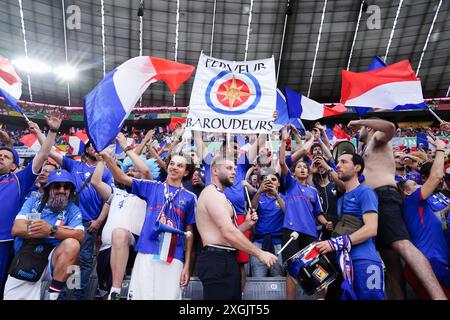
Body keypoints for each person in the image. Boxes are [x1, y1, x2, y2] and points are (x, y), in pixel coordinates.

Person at [348, 118, 447, 300]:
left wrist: (358, 120)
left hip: (384, 196)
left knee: (402, 244)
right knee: (391, 262)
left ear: (368, 127)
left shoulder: (377, 136)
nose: (356, 131)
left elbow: (390, 127)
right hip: (374, 203)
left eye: (361, 128)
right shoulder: (366, 147)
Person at [101, 151, 196, 300]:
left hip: (174, 256)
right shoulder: (152, 187)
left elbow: (189, 233)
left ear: (186, 172)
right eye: (172, 163)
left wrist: (187, 265)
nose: (174, 167)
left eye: (180, 165)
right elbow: (121, 177)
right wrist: (108, 160)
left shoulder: (190, 198)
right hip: (147, 251)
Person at [195, 156, 278, 300]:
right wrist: (259, 253)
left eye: (234, 169)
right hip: (217, 260)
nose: (233, 172)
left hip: (226, 258)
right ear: (214, 171)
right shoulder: (212, 194)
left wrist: (246, 224)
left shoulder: (221, 196)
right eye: (228, 168)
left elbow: (225, 233)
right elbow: (228, 233)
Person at [0, 116, 61, 299]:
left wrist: (52, 131)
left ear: (14, 165)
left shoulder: (18, 180)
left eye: (6, 157)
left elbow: (43, 155)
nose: (1, 158)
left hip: (4, 243)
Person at [44, 137, 113, 299]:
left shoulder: (106, 171)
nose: (97, 150)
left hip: (89, 222)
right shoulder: (74, 165)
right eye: (94, 147)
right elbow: (50, 152)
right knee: (70, 258)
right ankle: (64, 293)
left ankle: (77, 295)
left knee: (83, 260)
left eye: (100, 148)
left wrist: (99, 220)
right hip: (68, 220)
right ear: (87, 149)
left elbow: (109, 199)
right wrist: (46, 133)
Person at [3, 169, 84, 300]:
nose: (62, 190)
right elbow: (17, 229)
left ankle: (53, 295)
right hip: (27, 259)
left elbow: (80, 236)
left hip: (54, 262)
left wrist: (51, 230)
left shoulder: (73, 209)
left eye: (66, 187)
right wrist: (62, 231)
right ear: (48, 188)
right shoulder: (33, 202)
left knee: (73, 245)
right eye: (57, 186)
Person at [91, 137, 154, 300]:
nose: (130, 172)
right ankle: (112, 292)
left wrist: (126, 148)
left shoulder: (149, 192)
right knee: (104, 294)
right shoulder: (116, 193)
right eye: (127, 171)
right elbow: (96, 182)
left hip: (130, 245)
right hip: (107, 249)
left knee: (119, 233)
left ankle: (116, 290)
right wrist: (102, 160)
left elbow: (146, 172)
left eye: (134, 170)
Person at [316, 153, 384, 300]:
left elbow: (372, 228)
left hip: (363, 261)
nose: (338, 165)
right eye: (337, 162)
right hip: (341, 265)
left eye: (343, 162)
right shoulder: (341, 199)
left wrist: (335, 243)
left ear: (357, 168)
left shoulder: (365, 192)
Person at [279, 126, 333, 300]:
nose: (302, 169)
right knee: (292, 271)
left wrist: (326, 223)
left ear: (309, 171)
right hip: (291, 232)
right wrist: (283, 140)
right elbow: (282, 162)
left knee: (318, 268)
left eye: (305, 167)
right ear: (293, 172)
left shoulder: (313, 191)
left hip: (311, 233)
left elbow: (318, 213)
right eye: (299, 167)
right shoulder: (290, 184)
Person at [397, 137, 450, 298]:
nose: (420, 185)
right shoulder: (412, 202)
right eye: (415, 185)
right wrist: (440, 149)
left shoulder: (425, 203)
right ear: (407, 192)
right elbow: (434, 177)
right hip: (428, 265)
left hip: (438, 264)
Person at [249, 168, 285, 277]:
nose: (270, 182)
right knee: (258, 278)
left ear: (278, 183)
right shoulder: (259, 196)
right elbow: (252, 209)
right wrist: (259, 191)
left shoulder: (283, 197)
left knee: (278, 278)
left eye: (273, 180)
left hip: (278, 243)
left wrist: (277, 195)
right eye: (267, 180)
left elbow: (287, 212)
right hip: (259, 243)